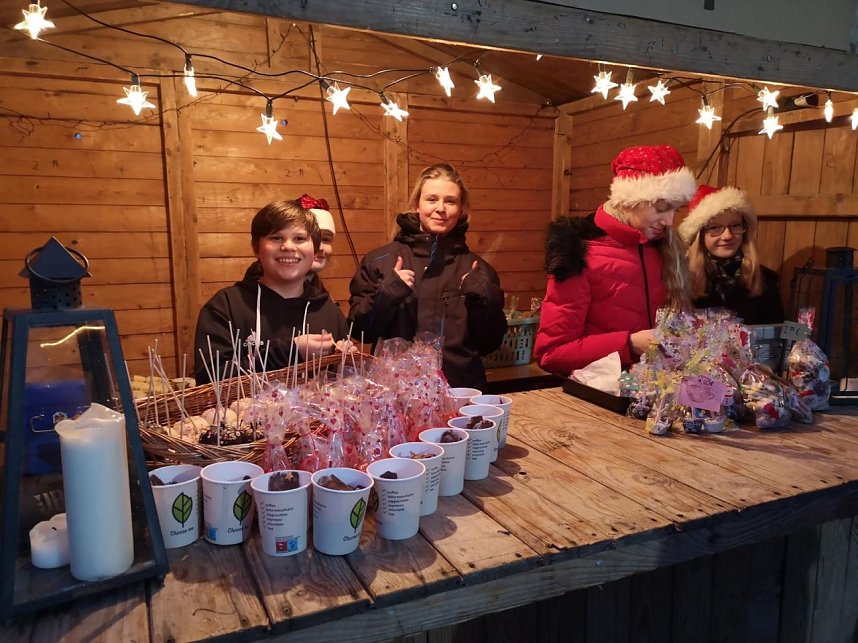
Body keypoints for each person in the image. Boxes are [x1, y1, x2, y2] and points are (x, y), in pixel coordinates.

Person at [533, 144, 697, 375]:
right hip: (599, 400)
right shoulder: (578, 253)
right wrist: (628, 344)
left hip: (658, 397)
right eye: (661, 208)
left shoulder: (667, 250)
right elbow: (551, 354)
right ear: (629, 199)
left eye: (675, 210)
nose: (669, 221)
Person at [347, 162, 507, 388]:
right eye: (432, 199)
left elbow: (489, 344)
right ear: (417, 204)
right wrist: (389, 292)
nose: (441, 208)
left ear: (461, 209)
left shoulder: (479, 270)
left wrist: (486, 299)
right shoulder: (381, 261)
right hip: (395, 396)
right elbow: (362, 331)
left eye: (450, 201)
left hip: (460, 392)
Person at [194, 199, 349, 384]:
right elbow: (209, 380)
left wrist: (343, 362)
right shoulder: (226, 306)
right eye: (276, 237)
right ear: (256, 247)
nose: (288, 247)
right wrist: (290, 352)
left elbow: (342, 387)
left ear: (315, 250)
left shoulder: (329, 312)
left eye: (299, 238)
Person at [677, 184, 785, 325]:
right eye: (715, 228)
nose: (728, 236)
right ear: (700, 234)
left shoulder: (764, 280)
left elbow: (780, 331)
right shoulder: (681, 279)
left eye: (735, 226)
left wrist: (803, 337)